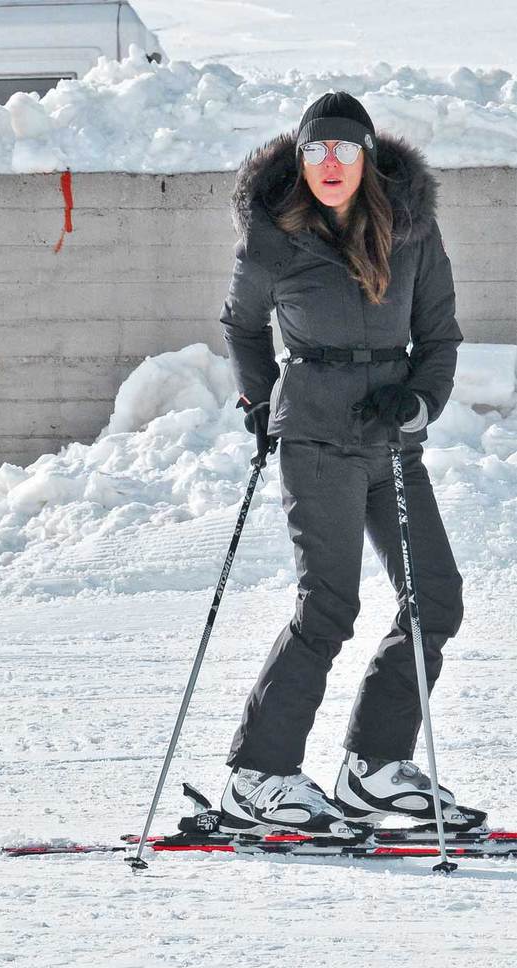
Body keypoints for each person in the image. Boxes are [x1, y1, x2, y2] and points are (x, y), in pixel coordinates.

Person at [218, 91, 467, 840]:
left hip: (391, 442)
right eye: (316, 151)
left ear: (366, 157)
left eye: (344, 150)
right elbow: (242, 325)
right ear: (301, 159)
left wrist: (417, 402)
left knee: (436, 599)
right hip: (316, 439)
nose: (330, 164)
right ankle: (257, 775)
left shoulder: (412, 230)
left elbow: (439, 336)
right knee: (328, 606)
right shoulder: (273, 233)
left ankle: (373, 767)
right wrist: (261, 400)